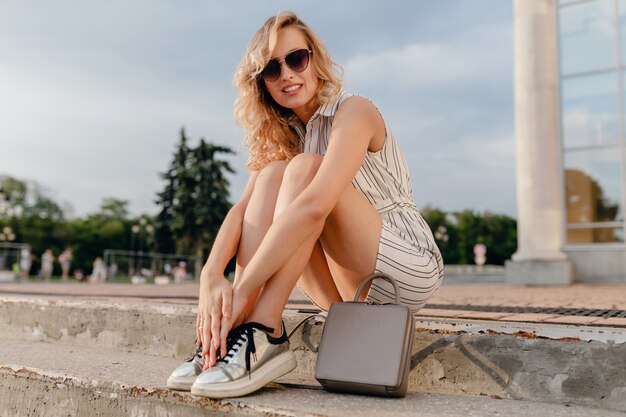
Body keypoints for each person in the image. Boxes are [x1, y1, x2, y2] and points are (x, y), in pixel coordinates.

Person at [167, 11, 444, 398]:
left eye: (296, 58)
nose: (287, 75)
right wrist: (212, 275)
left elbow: (316, 206)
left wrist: (240, 293)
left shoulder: (354, 110)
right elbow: (242, 211)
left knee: (304, 171)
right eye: (271, 68)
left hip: (405, 267)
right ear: (261, 82)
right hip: (342, 288)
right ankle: (240, 334)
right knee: (271, 177)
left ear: (315, 59)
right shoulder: (285, 135)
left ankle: (262, 328)